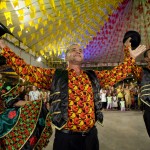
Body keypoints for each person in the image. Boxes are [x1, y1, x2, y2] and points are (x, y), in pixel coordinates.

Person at [0, 38, 146, 150]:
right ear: (66, 56)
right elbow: (27, 70)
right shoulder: (55, 75)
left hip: (90, 137)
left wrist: (130, 58)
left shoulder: (93, 76)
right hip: (65, 138)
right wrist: (5, 49)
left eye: (80, 50)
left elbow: (117, 73)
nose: (78, 51)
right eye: (74, 49)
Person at [0, 78, 52, 148]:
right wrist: (35, 103)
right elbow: (13, 102)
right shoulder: (8, 86)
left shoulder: (15, 86)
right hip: (7, 118)